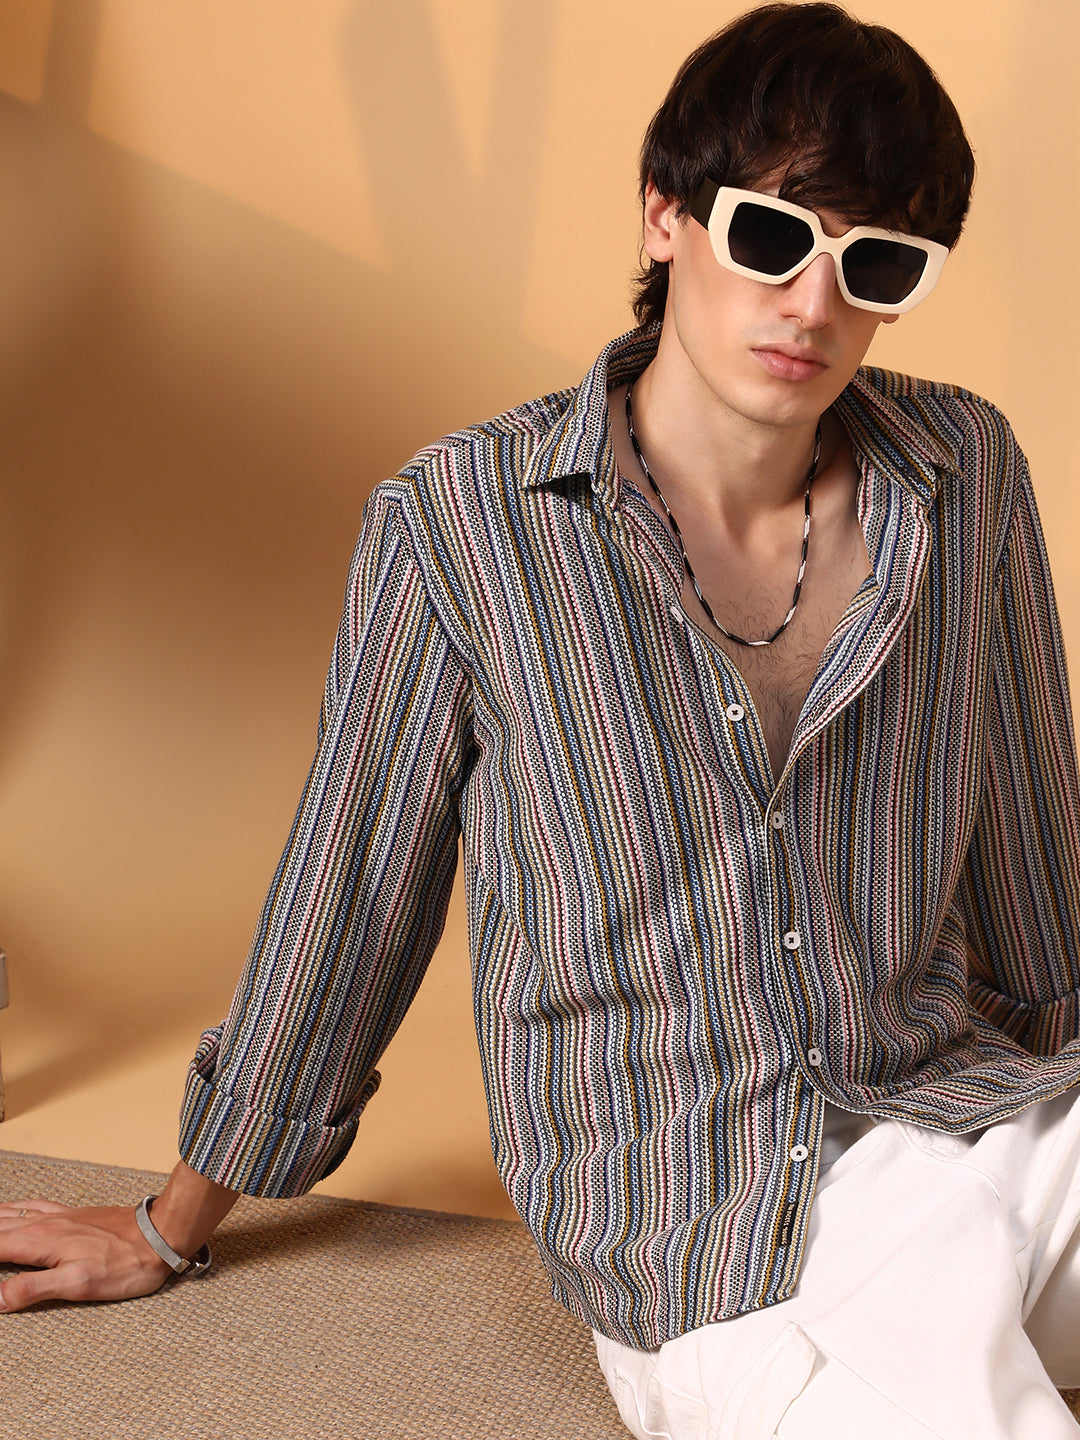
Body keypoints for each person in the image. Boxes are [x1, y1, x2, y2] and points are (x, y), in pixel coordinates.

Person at [3, 4, 1080, 1434]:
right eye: (772, 237)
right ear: (665, 216)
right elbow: (352, 890)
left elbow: (1033, 850)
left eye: (873, 262)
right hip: (713, 1234)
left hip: (970, 1118)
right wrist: (171, 1221)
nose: (814, 304)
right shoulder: (461, 526)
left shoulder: (964, 471)